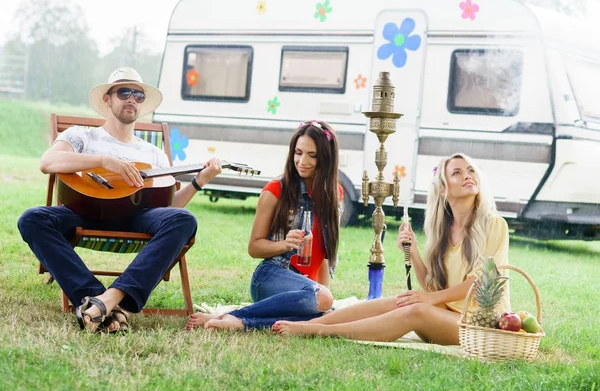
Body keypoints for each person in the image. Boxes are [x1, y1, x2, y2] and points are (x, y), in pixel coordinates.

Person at [17, 67, 222, 333]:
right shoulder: (81, 135)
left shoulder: (153, 154)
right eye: (124, 92)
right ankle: (99, 300)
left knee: (183, 220)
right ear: (107, 99)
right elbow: (48, 162)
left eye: (138, 95)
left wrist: (200, 181)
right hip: (83, 211)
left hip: (136, 217)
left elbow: (168, 210)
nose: (132, 99)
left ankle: (107, 300)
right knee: (32, 219)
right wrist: (104, 161)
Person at [272, 153, 510, 345]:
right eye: (457, 172)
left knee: (415, 309)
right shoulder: (443, 233)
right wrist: (414, 252)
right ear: (443, 190)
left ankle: (317, 332)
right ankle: (319, 322)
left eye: (470, 170)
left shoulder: (494, 225)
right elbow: (432, 287)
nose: (468, 176)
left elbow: (479, 284)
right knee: (400, 301)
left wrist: (429, 299)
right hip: (442, 318)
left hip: (478, 326)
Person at [186, 120, 343, 331]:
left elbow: (324, 256)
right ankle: (232, 316)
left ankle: (238, 322)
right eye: (298, 152)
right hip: (271, 277)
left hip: (306, 291)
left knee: (326, 313)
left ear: (326, 157)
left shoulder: (335, 194)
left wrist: (324, 298)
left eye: (312, 155)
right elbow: (254, 247)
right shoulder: (275, 190)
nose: (302, 161)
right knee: (324, 300)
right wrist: (285, 245)